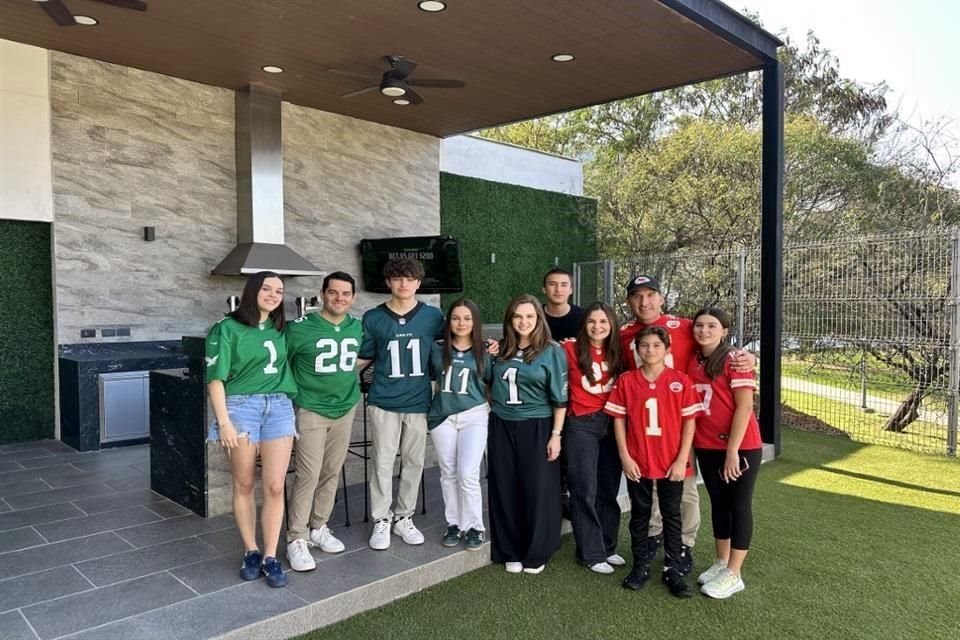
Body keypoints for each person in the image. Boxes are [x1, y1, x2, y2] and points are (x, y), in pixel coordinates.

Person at [618, 274, 755, 575]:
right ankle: (655, 538)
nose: (644, 301)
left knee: (685, 487)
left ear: (662, 298)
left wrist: (746, 355)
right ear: (629, 301)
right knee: (651, 486)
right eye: (637, 296)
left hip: (683, 421)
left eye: (650, 294)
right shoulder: (625, 333)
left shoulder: (683, 327)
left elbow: (714, 342)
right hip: (646, 423)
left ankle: (683, 543)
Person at [205, 271, 297, 588]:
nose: (273, 294)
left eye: (279, 290)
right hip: (240, 407)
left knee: (274, 486)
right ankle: (251, 550)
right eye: (266, 288)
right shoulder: (226, 328)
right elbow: (215, 379)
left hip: (280, 408)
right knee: (244, 482)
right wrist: (224, 422)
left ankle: (271, 555)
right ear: (252, 291)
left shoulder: (282, 329)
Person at [605, 326, 703, 598]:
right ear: (637, 349)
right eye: (644, 345)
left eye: (656, 346)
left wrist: (682, 459)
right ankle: (641, 566)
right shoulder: (626, 381)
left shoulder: (680, 381)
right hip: (639, 461)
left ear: (667, 349)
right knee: (640, 515)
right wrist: (625, 456)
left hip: (672, 462)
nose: (650, 350)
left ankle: (673, 569)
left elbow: (689, 423)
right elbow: (619, 420)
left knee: (672, 515)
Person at [359, 257, 445, 550]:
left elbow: (455, 345)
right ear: (388, 283)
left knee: (414, 462)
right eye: (397, 278)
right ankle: (381, 519)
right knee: (382, 462)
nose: (403, 284)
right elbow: (363, 357)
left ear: (418, 283)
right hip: (383, 399)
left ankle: (403, 517)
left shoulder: (433, 316)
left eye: (409, 278)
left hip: (419, 400)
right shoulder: (373, 317)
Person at [283, 271, 362, 571]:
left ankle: (319, 526)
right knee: (309, 474)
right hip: (312, 409)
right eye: (334, 292)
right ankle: (296, 536)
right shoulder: (300, 328)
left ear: (353, 298)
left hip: (345, 408)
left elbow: (362, 355)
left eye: (345, 293)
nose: (339, 298)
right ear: (323, 293)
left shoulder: (357, 327)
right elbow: (281, 363)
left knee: (331, 471)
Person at [488, 294, 568, 575]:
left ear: (538, 319)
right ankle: (509, 548)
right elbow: (488, 382)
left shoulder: (551, 351)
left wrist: (556, 435)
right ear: (510, 319)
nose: (524, 322)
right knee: (505, 486)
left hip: (537, 425)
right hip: (501, 424)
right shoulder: (500, 349)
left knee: (538, 489)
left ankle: (537, 550)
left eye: (530, 317)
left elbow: (560, 398)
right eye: (518, 316)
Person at [688, 307, 763, 599]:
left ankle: (735, 573)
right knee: (718, 503)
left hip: (739, 446)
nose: (704, 331)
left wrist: (733, 450)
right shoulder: (694, 359)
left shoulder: (736, 360)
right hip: (707, 444)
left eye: (711, 326)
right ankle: (721, 561)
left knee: (738, 505)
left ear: (725, 330)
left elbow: (744, 406)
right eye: (699, 325)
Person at [562, 302, 625, 575]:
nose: (597, 327)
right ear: (583, 325)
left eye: (603, 322)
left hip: (613, 423)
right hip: (582, 423)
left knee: (608, 488)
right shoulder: (568, 349)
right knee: (584, 488)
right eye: (592, 322)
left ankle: (608, 546)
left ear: (611, 325)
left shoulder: (620, 353)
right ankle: (589, 553)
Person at [427, 298, 493, 551]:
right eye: (456, 318)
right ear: (449, 321)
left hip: (474, 415)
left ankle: (475, 526)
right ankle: (454, 523)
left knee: (468, 473)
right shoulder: (437, 348)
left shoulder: (486, 350)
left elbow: (489, 380)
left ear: (475, 321)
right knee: (448, 472)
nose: (461, 323)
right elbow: (430, 375)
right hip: (443, 415)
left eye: (467, 318)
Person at [542, 267, 584, 341]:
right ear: (544, 289)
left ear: (571, 290)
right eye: (552, 284)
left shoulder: (584, 317)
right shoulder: (534, 315)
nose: (558, 289)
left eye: (564, 285)